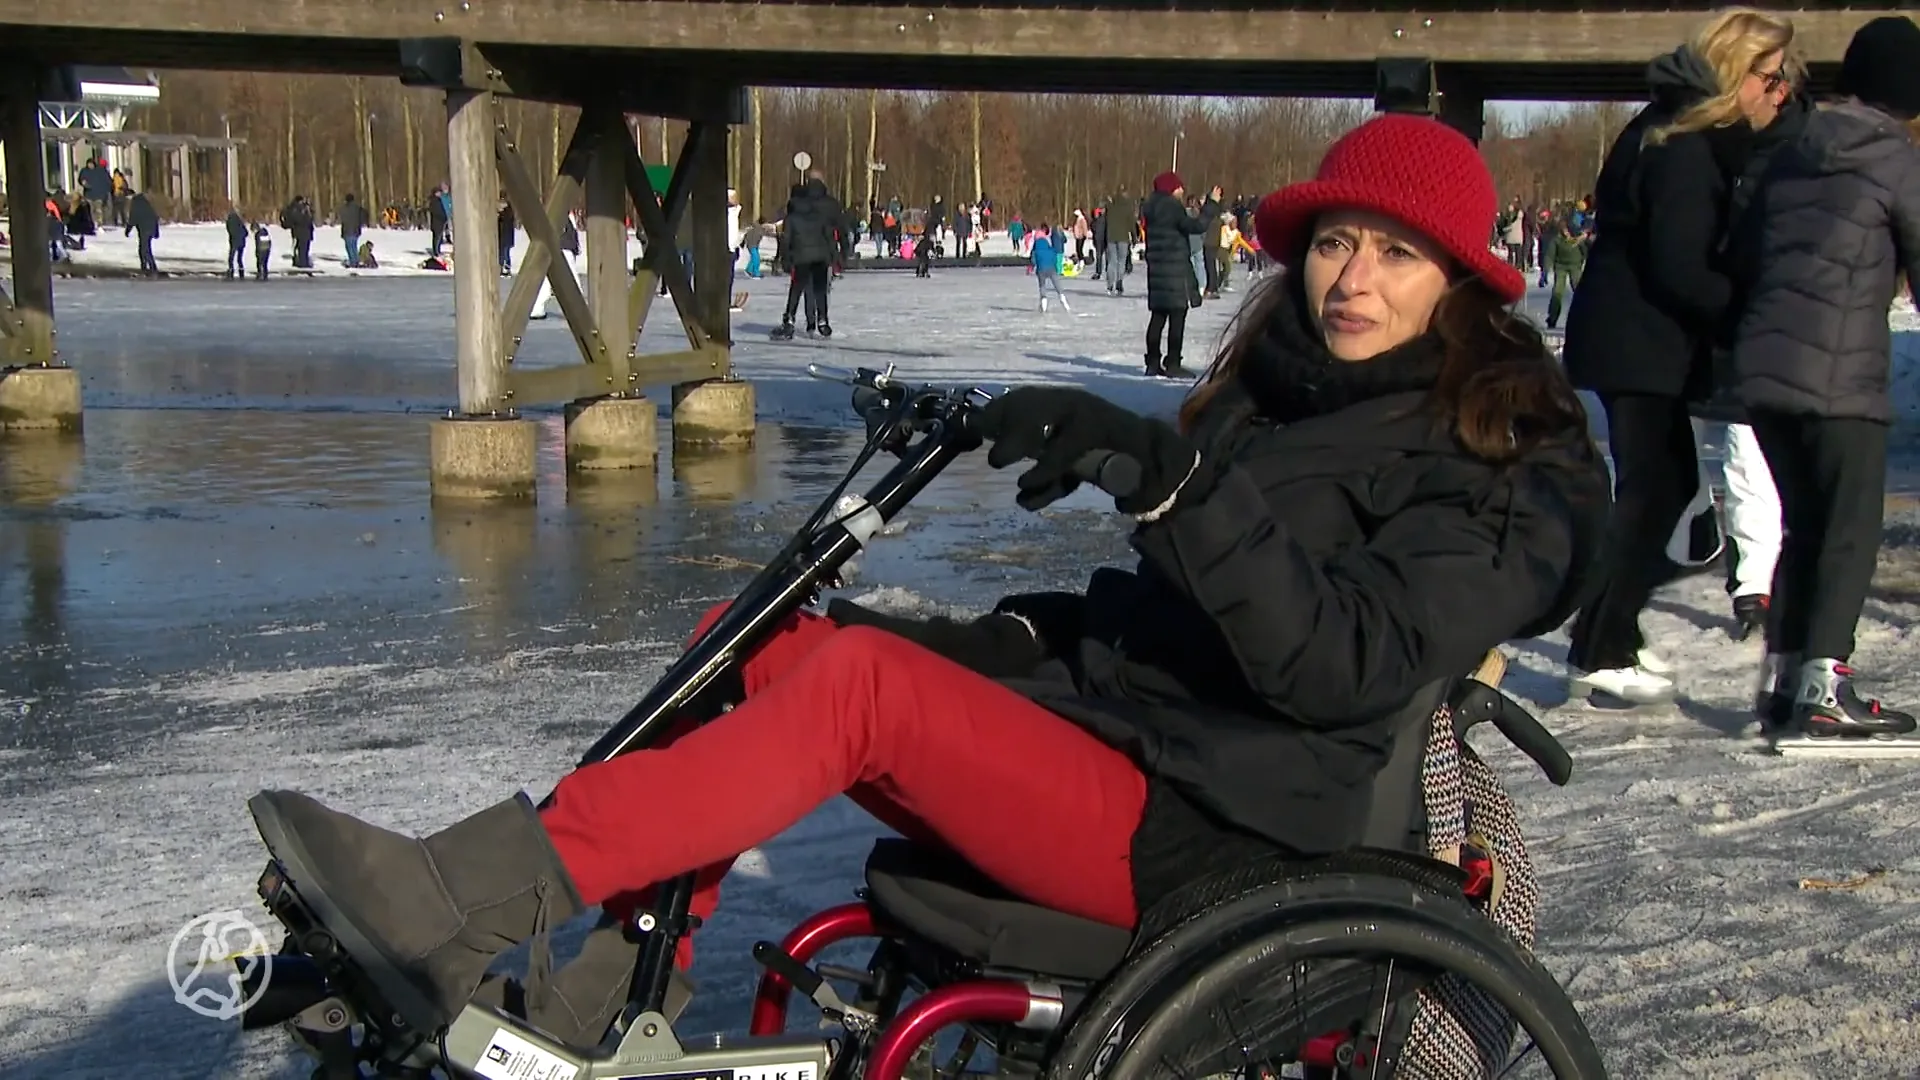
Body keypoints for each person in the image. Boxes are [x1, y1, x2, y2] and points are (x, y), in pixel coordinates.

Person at [245, 113, 1608, 1050]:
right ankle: (598, 980)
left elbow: (1340, 663)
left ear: (1467, 283)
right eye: (1332, 243)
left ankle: (453, 896)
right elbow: (1173, 630)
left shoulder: (1502, 462)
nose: (1350, 278)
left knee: (857, 692)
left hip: (1238, 838)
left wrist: (1178, 488)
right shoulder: (1282, 398)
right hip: (1145, 750)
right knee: (767, 639)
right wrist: (1016, 635)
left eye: (1394, 253)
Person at [1560, 7, 1798, 705]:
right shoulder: (1685, 144)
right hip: (1639, 341)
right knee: (1656, 493)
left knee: (1660, 490)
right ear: (1734, 73)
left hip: (1639, 338)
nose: (1780, 90)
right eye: (1771, 77)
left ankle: (1614, 634)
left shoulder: (1679, 127)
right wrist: (1749, 311)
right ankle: (1598, 643)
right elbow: (1681, 264)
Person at [1731, 14, 1920, 734]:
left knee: (1806, 527)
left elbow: (1743, 249)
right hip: (1840, 374)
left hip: (1769, 371)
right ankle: (1823, 690)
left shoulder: (1791, 147)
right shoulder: (1895, 156)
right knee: (1846, 528)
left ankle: (1784, 681)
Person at [1141, 173, 1218, 377]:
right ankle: (1173, 363)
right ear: (1171, 189)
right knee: (1177, 317)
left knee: (1157, 317)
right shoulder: (1172, 207)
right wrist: (1211, 204)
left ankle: (1153, 361)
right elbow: (1196, 226)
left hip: (1157, 270)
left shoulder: (1151, 208)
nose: (1182, 191)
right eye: (1179, 187)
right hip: (1175, 270)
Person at [770, 171, 843, 340]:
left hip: (801, 258)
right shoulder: (819, 216)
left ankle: (789, 320)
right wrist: (834, 255)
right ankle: (823, 321)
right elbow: (829, 236)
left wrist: (784, 258)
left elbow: (786, 239)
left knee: (796, 289)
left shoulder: (792, 218)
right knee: (820, 290)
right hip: (820, 257)